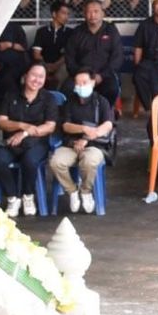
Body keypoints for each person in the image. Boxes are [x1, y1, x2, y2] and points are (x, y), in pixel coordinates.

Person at [0, 62, 56, 218]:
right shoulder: (11, 95)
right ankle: (13, 198)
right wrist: (21, 125)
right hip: (11, 142)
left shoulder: (48, 98)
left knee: (30, 161)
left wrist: (25, 133)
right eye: (34, 75)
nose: (37, 80)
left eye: (41, 77)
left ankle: (28, 196)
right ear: (25, 76)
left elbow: (50, 126)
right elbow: (1, 122)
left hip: (37, 143)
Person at [50, 68, 114, 215]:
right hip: (71, 145)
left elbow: (107, 125)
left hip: (94, 146)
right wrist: (83, 128)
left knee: (89, 161)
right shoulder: (69, 102)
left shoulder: (101, 102)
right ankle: (72, 190)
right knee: (56, 162)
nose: (80, 86)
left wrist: (86, 138)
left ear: (93, 82)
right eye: (77, 83)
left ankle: (86, 191)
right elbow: (66, 125)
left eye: (84, 82)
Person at [67, 0, 122, 102]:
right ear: (84, 14)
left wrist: (101, 76)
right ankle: (77, 112)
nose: (92, 15)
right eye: (89, 12)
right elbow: (70, 58)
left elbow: (117, 57)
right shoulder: (77, 32)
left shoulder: (111, 30)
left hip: (105, 75)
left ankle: (105, 111)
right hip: (81, 75)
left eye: (96, 11)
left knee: (112, 89)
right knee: (67, 89)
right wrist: (81, 75)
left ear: (103, 14)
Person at [32, 2, 75, 86]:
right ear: (54, 14)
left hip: (61, 64)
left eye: (68, 14)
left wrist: (55, 65)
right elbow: (36, 54)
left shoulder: (70, 33)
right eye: (63, 13)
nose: (66, 17)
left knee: (62, 72)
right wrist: (46, 65)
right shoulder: (42, 31)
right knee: (37, 70)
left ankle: (56, 92)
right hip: (44, 63)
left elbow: (68, 54)